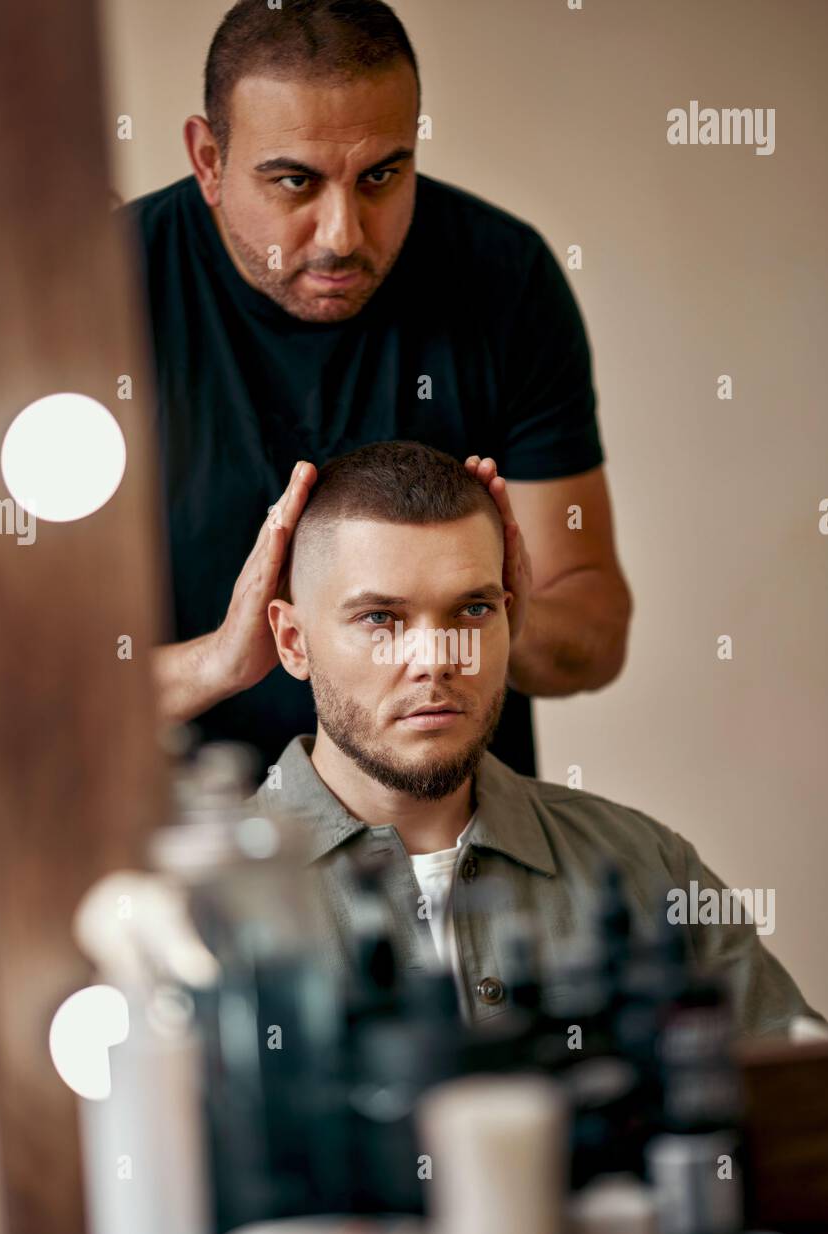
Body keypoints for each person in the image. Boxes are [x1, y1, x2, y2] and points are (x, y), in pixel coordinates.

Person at [118, 0, 632, 779]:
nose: (342, 235)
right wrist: (221, 660)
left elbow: (595, 634)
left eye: (382, 176)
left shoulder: (503, 279)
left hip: (452, 855)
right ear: (208, 160)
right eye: (295, 180)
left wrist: (491, 623)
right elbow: (24, 684)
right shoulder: (92, 296)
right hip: (187, 851)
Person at [251, 439, 828, 1038]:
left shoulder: (647, 865)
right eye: (380, 619)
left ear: (510, 617)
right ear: (294, 641)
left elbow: (810, 1103)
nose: (435, 661)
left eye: (471, 611)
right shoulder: (206, 912)